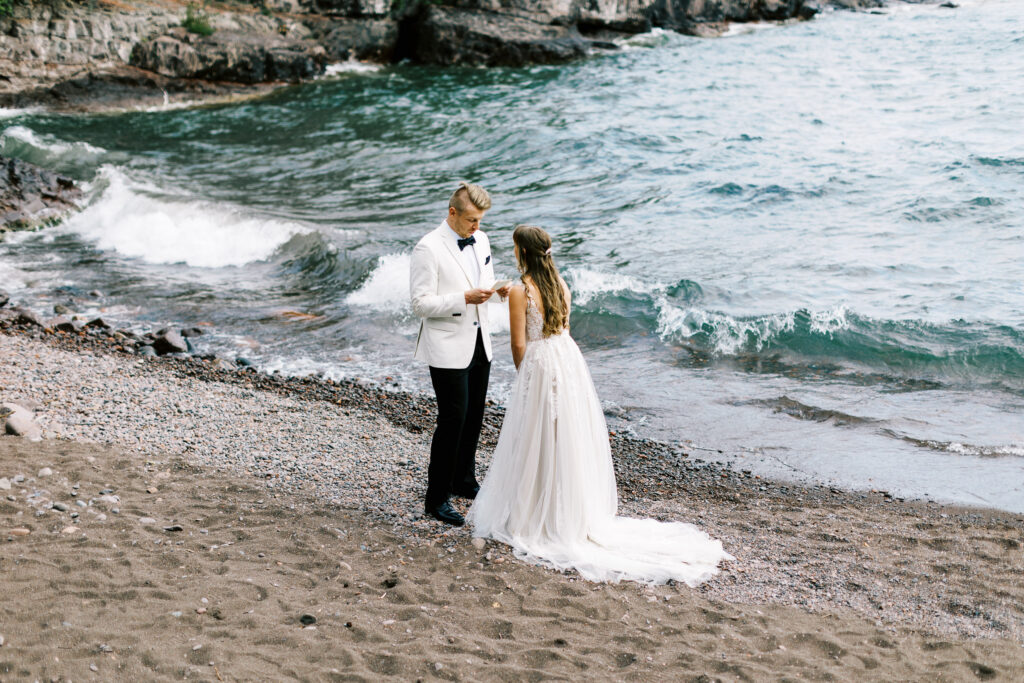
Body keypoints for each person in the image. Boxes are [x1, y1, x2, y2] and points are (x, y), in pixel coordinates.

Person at [467, 225, 732, 584]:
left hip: (541, 365)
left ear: (522, 253)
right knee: (564, 436)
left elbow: (518, 344)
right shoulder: (561, 286)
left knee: (535, 436)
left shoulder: (519, 290)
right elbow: (556, 325)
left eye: (514, 248)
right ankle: (567, 513)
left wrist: (525, 375)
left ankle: (533, 515)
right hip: (566, 359)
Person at [409, 182, 510, 526]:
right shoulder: (428, 248)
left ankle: (463, 481)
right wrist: (463, 299)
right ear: (452, 213)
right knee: (452, 420)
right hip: (447, 345)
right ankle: (436, 498)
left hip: (481, 340)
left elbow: (486, 280)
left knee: (474, 416)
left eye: (480, 220)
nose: (476, 227)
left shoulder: (480, 239)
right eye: (471, 220)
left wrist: (499, 292)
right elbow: (420, 304)